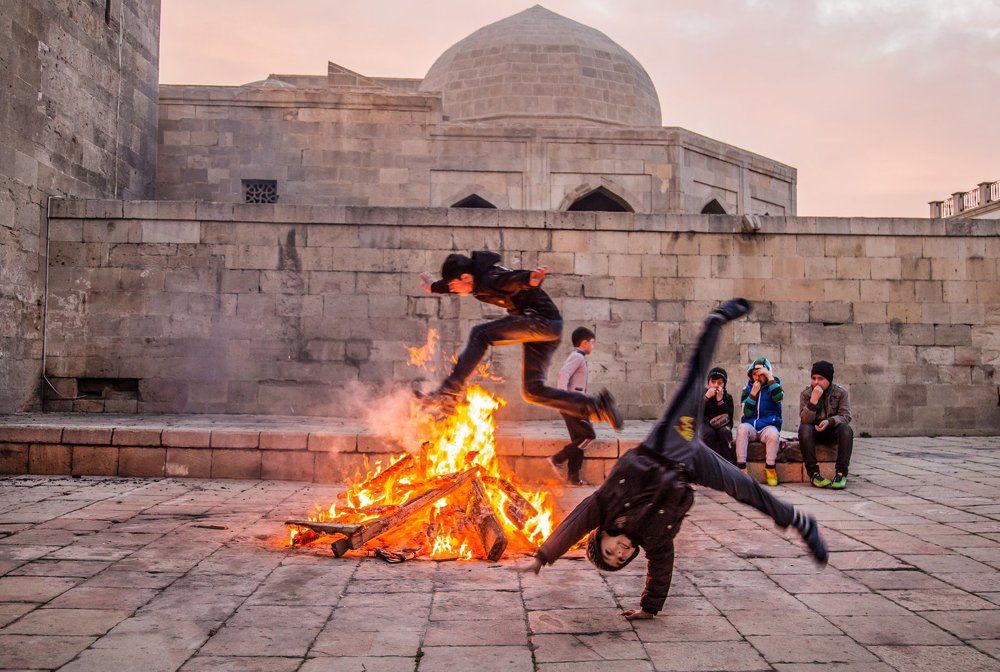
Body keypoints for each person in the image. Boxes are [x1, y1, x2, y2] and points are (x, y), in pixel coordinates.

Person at [518, 299, 828, 620]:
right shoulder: (655, 539)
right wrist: (649, 609)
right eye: (620, 559)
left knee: (694, 381)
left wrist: (544, 556)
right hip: (690, 465)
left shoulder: (605, 506)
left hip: (666, 445)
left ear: (603, 534)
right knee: (744, 486)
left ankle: (715, 321)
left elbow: (576, 522)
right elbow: (661, 569)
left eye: (610, 551)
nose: (620, 552)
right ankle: (799, 521)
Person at [418, 251, 622, 429]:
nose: (454, 291)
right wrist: (434, 287)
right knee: (533, 391)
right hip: (546, 327)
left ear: (465, 277)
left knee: (481, 334)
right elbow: (450, 284)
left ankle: (449, 391)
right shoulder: (474, 279)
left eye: (454, 287)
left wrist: (530, 279)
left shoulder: (490, 278)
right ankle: (596, 406)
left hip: (540, 321)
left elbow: (511, 279)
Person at [548, 327, 597, 485]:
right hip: (573, 405)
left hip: (575, 404)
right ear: (584, 343)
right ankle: (557, 458)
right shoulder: (578, 357)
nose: (593, 346)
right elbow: (563, 374)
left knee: (579, 440)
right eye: (592, 343)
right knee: (588, 436)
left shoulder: (578, 357)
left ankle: (573, 477)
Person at [799, 360, 853, 489]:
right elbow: (805, 420)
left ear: (829, 379)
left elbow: (846, 416)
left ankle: (841, 473)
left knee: (846, 430)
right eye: (814, 378)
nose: (816, 382)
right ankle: (814, 474)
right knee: (804, 429)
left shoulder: (841, 393)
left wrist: (830, 421)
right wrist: (813, 400)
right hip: (814, 431)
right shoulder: (806, 394)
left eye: (820, 378)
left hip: (832, 430)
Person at [735, 357, 783, 486]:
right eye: (754, 374)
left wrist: (769, 377)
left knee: (774, 435)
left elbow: (778, 397)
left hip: (768, 425)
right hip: (751, 425)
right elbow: (747, 413)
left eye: (761, 374)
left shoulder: (775, 385)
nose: (757, 377)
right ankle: (741, 468)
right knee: (741, 429)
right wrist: (753, 394)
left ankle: (770, 467)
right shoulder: (748, 388)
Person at [701, 367, 735, 463]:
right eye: (713, 382)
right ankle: (707, 463)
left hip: (723, 424)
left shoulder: (727, 398)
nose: (716, 385)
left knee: (724, 433)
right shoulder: (702, 395)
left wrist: (720, 401)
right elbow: (695, 412)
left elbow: (729, 418)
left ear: (724, 384)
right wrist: (706, 397)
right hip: (705, 424)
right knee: (708, 433)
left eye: (719, 383)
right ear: (708, 383)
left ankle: (728, 464)